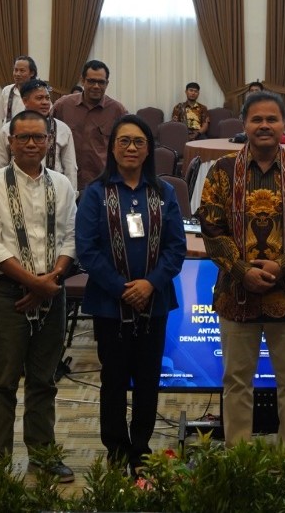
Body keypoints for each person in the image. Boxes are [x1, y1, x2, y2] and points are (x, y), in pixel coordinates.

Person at [197, 91, 285, 446]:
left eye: (272, 119)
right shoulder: (221, 171)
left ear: (284, 125)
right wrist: (242, 271)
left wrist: (281, 266)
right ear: (245, 125)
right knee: (236, 381)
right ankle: (240, 460)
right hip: (236, 294)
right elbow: (212, 229)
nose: (265, 125)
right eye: (257, 119)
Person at [75, 115, 187, 472]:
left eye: (139, 142)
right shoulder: (96, 193)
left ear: (149, 149)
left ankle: (140, 448)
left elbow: (176, 247)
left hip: (154, 303)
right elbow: (87, 249)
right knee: (113, 379)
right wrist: (123, 289)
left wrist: (149, 284)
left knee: (148, 380)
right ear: (112, 148)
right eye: (124, 141)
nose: (131, 148)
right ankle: (117, 448)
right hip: (111, 305)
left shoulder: (163, 192)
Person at [0, 110, 78, 480]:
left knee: (44, 379)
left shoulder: (63, 185)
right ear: (10, 142)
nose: (32, 144)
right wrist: (34, 284)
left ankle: (43, 456)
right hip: (7, 294)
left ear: (50, 142)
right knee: (3, 380)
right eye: (24, 138)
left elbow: (70, 237)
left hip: (53, 289)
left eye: (39, 137)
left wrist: (52, 279)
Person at [55, 60, 128, 190]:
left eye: (101, 82)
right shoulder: (63, 106)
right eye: (91, 81)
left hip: (102, 183)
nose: (96, 86)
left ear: (107, 83)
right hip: (65, 182)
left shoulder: (117, 110)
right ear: (82, 81)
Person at [0, 79, 79, 188]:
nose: (45, 102)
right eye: (39, 98)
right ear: (25, 101)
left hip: (55, 192)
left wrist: (71, 196)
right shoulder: (7, 130)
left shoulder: (63, 129)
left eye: (47, 98)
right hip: (16, 191)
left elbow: (70, 169)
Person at [0, 56, 39, 123]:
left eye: (22, 70)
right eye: (16, 70)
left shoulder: (39, 92)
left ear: (32, 73)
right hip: (8, 132)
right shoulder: (6, 90)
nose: (17, 74)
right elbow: (3, 117)